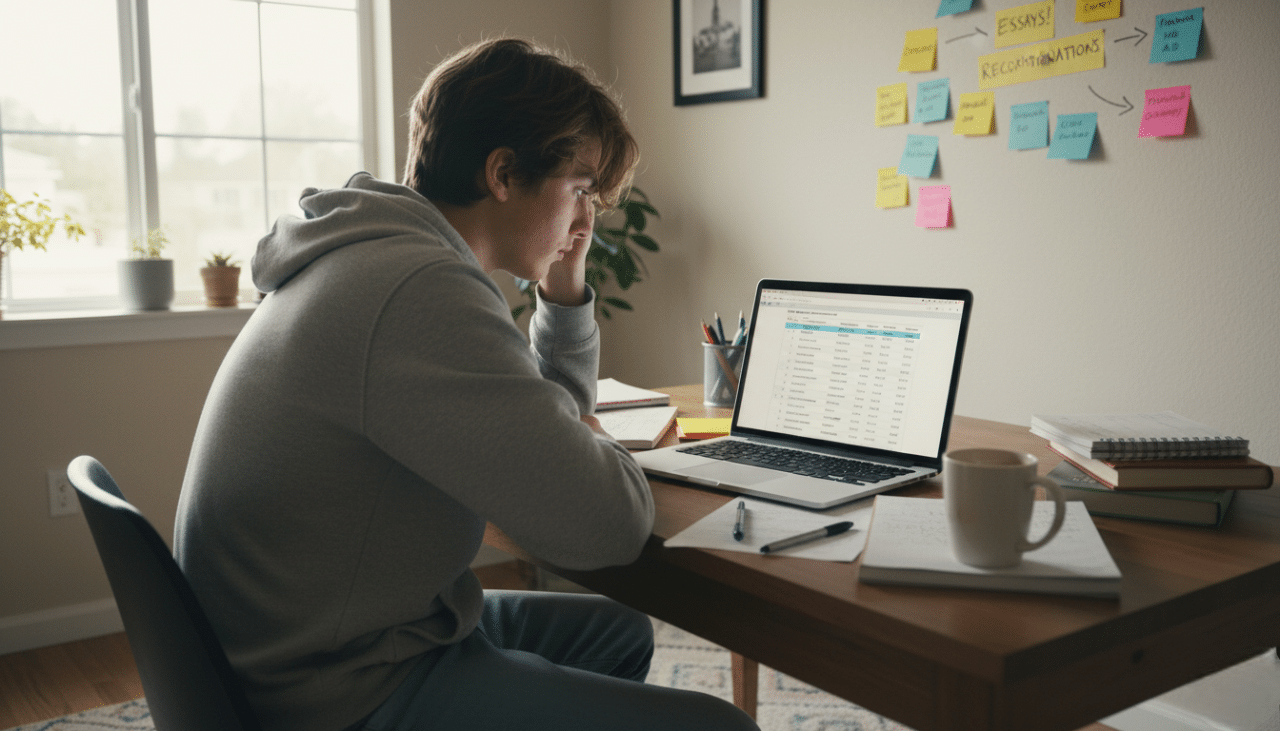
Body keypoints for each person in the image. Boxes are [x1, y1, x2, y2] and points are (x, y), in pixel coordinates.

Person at [174, 37, 758, 731]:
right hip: (335, 689)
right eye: (577, 189)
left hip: (309, 640)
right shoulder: (416, 290)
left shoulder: (371, 251)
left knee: (618, 631)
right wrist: (594, 444)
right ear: (504, 173)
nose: (584, 220)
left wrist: (565, 295)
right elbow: (605, 523)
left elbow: (542, 436)